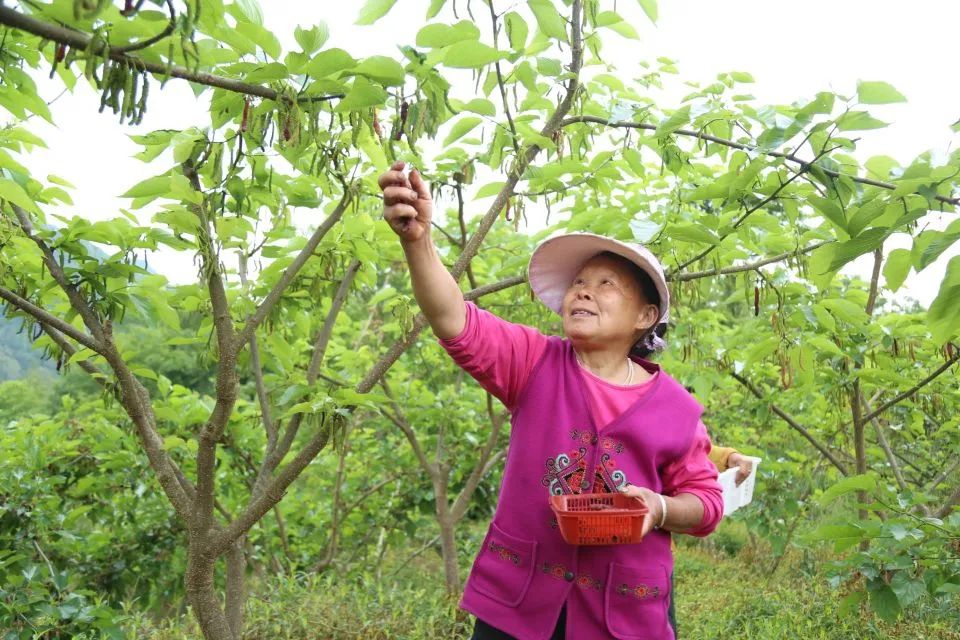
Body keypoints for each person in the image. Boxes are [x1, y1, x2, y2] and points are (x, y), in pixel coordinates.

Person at [379, 161, 723, 640]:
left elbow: (706, 503)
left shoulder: (677, 411)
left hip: (622, 615)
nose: (583, 290)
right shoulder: (533, 362)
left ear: (646, 315)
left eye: (606, 284)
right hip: (518, 603)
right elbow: (453, 316)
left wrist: (658, 510)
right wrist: (418, 242)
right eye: (579, 282)